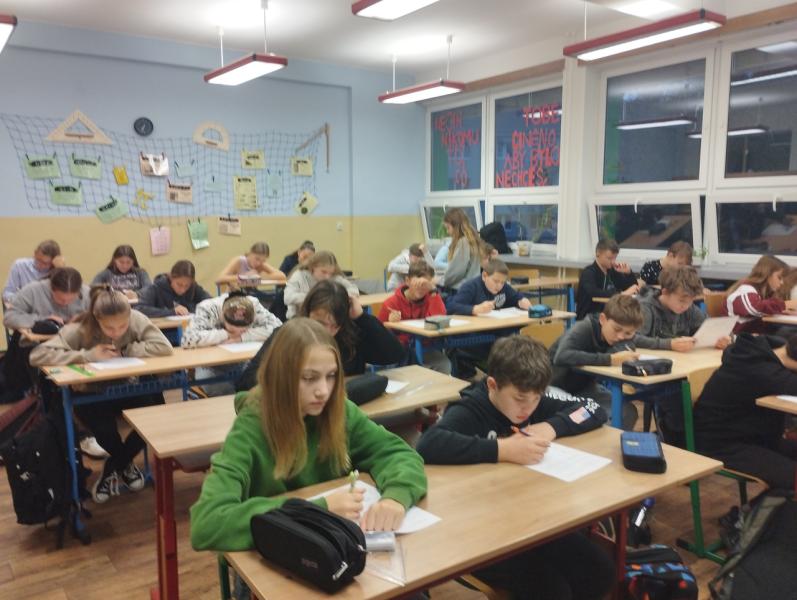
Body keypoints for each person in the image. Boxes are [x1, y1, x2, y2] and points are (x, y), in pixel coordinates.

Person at [190, 317, 427, 553]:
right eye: (309, 378)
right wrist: (317, 509)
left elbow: (397, 454)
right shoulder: (250, 428)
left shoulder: (338, 411)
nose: (323, 391)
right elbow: (207, 524)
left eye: (331, 375)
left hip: (334, 547)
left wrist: (396, 496)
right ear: (281, 376)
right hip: (274, 556)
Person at [417, 335, 613, 600]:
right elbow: (429, 443)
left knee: (599, 570)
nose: (527, 409)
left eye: (536, 398)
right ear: (492, 385)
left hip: (535, 520)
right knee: (552, 591)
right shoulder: (472, 408)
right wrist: (503, 449)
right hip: (483, 534)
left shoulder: (533, 400)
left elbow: (593, 408)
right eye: (520, 399)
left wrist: (552, 426)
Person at [29, 286, 173, 503]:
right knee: (106, 432)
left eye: (122, 326)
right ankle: (125, 463)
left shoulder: (135, 318)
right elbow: (37, 355)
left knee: (155, 417)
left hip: (126, 387)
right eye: (109, 327)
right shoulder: (80, 328)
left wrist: (127, 350)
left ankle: (114, 466)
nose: (117, 332)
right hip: (92, 392)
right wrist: (87, 355)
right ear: (97, 319)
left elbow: (164, 346)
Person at [237, 280, 404, 391]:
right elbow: (246, 382)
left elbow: (394, 354)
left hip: (346, 412)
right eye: (320, 323)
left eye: (335, 326)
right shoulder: (287, 334)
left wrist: (362, 318)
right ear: (307, 313)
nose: (327, 331)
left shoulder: (351, 335)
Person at [636, 266, 730, 446]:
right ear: (665, 291)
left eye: (690, 301)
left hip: (681, 370)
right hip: (654, 374)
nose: (686, 306)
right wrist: (669, 344)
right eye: (681, 301)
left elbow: (706, 326)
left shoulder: (688, 309)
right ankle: (677, 440)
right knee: (678, 398)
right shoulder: (645, 308)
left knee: (714, 390)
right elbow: (633, 339)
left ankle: (699, 438)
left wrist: (718, 339)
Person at [694, 332, 797, 492]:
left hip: (757, 436)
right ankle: (765, 507)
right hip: (722, 444)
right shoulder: (762, 370)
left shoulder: (770, 349)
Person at [549, 295, 651, 429]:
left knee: (627, 412)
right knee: (582, 416)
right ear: (603, 319)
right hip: (555, 387)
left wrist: (670, 343)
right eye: (617, 329)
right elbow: (562, 356)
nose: (620, 336)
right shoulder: (584, 328)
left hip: (584, 388)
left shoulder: (620, 335)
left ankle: (607, 441)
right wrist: (610, 359)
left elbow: (639, 341)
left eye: (628, 333)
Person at [445, 258, 532, 378]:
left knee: (515, 344)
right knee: (506, 349)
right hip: (472, 337)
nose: (499, 286)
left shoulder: (503, 287)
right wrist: (475, 309)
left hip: (494, 333)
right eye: (496, 281)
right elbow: (451, 306)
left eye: (502, 282)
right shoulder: (471, 286)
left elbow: (516, 296)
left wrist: (522, 300)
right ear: (485, 276)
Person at [182, 291, 281, 395]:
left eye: (243, 330)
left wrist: (241, 338)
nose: (238, 332)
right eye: (233, 330)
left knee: (259, 382)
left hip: (243, 360)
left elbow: (278, 327)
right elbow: (188, 339)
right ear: (223, 317)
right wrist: (225, 334)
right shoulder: (207, 308)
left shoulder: (253, 305)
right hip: (210, 365)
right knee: (219, 389)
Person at [378, 261, 450, 374]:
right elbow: (378, 335)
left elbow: (439, 320)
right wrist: (390, 325)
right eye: (417, 284)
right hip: (400, 351)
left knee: (444, 364)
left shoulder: (431, 297)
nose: (421, 289)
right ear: (407, 281)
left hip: (425, 348)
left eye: (425, 285)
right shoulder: (391, 303)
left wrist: (433, 292)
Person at [723, 255, 797, 334]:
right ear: (767, 274)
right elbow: (754, 309)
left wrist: (785, 312)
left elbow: (764, 311)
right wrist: (785, 304)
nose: (782, 282)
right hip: (739, 338)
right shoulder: (745, 290)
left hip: (754, 335)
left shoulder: (762, 293)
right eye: (779, 277)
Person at [283, 251, 359, 320]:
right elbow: (287, 297)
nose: (327, 277)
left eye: (331, 273)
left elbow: (353, 289)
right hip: (299, 319)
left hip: (327, 319)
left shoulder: (334, 278)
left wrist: (341, 295)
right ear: (312, 268)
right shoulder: (299, 275)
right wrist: (315, 297)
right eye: (323, 272)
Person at [575, 239, 639, 321]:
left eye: (615, 258)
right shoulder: (588, 273)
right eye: (609, 258)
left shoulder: (612, 272)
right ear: (598, 254)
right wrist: (621, 294)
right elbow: (594, 293)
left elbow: (633, 289)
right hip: (588, 318)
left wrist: (628, 273)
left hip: (609, 317)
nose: (613, 262)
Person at [135, 260, 210, 318]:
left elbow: (211, 302)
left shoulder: (193, 287)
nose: (182, 290)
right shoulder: (156, 287)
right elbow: (139, 309)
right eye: (179, 284)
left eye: (186, 286)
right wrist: (171, 312)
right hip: (164, 330)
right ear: (171, 278)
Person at [3, 239, 64, 303]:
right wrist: (21, 301)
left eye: (45, 263)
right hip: (23, 305)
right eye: (38, 260)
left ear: (53, 262)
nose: (40, 265)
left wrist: (60, 269)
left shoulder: (56, 271)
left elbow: (64, 295)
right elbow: (7, 292)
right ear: (35, 253)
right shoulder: (19, 265)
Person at [439, 208, 481, 291]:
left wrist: (441, 281)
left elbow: (456, 272)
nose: (447, 232)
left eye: (448, 228)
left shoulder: (463, 242)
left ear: (456, 226)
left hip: (461, 289)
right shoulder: (472, 239)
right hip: (472, 287)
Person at [217, 242, 287, 287]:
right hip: (233, 295)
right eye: (257, 259)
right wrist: (244, 276)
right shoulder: (239, 261)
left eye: (263, 260)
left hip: (250, 296)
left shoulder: (261, 264)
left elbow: (282, 276)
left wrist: (258, 277)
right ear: (250, 253)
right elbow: (219, 278)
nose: (258, 263)